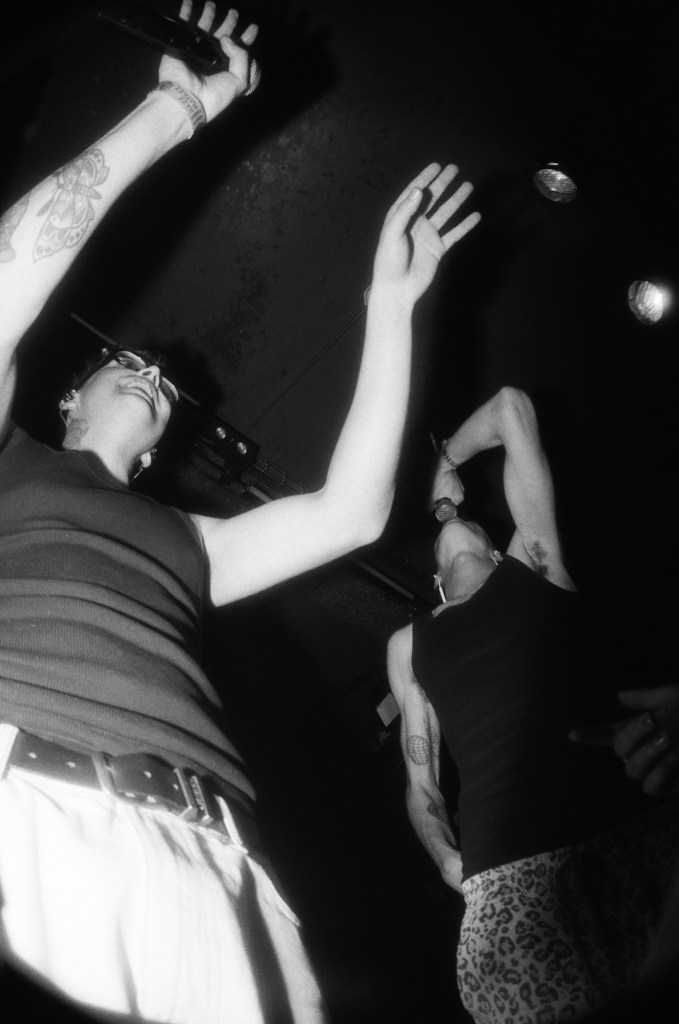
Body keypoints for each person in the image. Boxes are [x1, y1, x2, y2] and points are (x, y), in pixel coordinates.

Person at [0, 2, 482, 1022]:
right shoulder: (11, 458)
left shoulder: (195, 540)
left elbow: (350, 514)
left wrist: (391, 307)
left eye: (166, 385)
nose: (154, 377)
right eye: (126, 365)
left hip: (218, 863)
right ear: (68, 399)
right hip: (22, 794)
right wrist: (176, 108)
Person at [386, 385, 679, 1024]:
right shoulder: (410, 644)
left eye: (476, 528)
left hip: (634, 835)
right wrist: (445, 857)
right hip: (511, 881)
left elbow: (510, 408)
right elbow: (421, 784)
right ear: (435, 582)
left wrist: (447, 459)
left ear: (500, 549)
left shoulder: (536, 563)